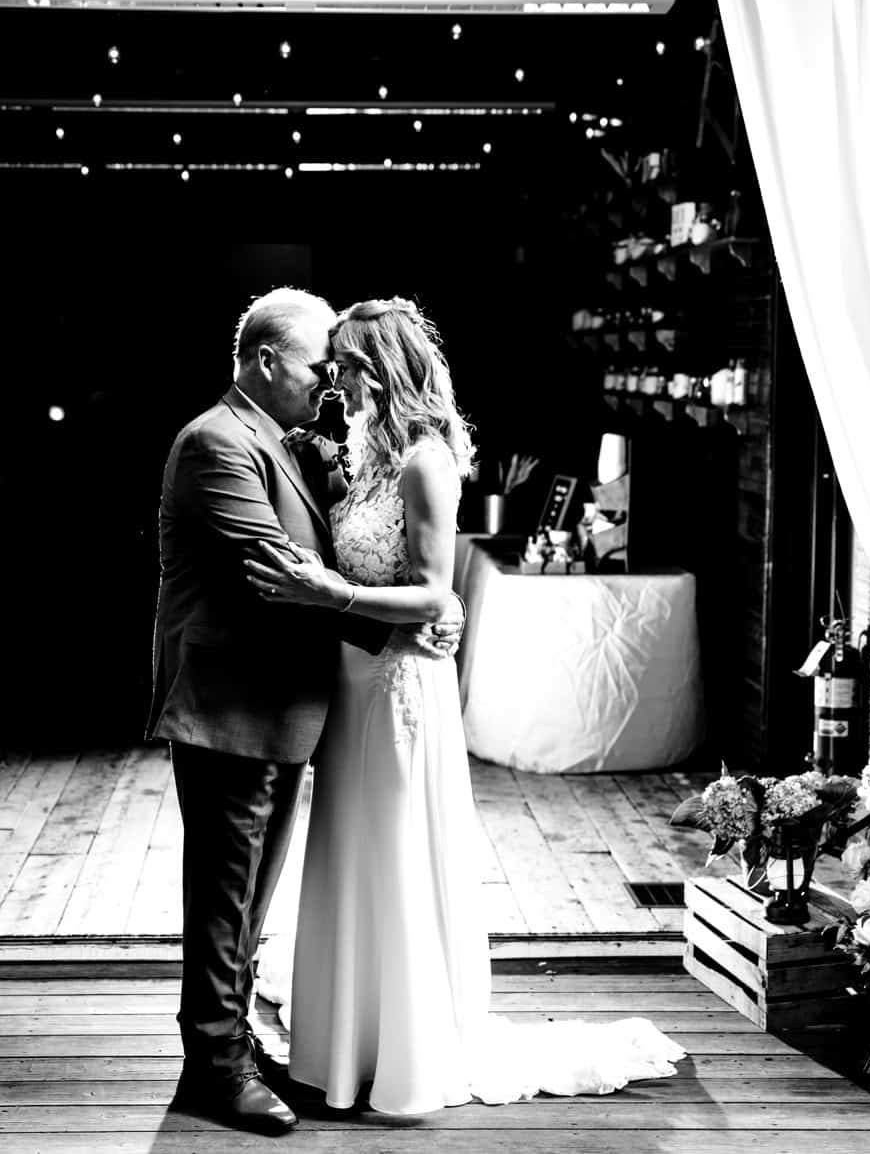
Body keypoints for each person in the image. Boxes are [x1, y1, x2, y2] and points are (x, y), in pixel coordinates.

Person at [244, 298, 688, 1116]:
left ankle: (401, 1050)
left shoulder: (424, 462)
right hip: (353, 684)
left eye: (344, 365)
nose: (333, 379)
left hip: (397, 691)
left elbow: (432, 593)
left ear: (381, 367)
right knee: (351, 849)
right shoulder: (368, 454)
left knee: (395, 851)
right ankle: (352, 1039)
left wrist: (326, 591)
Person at [147, 287, 460, 1136]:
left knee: (249, 897)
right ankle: (213, 1066)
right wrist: (418, 610)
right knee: (223, 900)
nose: (329, 382)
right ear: (264, 362)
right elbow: (282, 572)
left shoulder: (278, 439)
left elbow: (340, 545)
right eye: (320, 364)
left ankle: (227, 1047)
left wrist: (423, 603)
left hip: (284, 708)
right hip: (233, 707)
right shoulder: (217, 442)